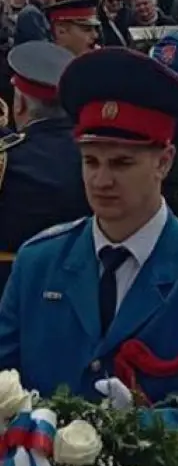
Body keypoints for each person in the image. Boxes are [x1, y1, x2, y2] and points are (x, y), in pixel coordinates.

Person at [0, 48, 178, 466]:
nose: (101, 180)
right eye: (91, 161)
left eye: (122, 163)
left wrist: (137, 428)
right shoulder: (38, 262)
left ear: (164, 161)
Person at [0, 42, 91, 292]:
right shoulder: (95, 154)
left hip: (12, 289)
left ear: (20, 104)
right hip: (85, 286)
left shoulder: (9, 159)